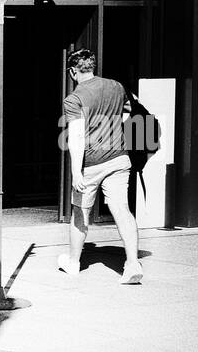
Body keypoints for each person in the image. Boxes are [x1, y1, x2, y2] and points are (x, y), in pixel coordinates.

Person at [59, 48, 143, 284]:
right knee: (122, 210)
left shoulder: (74, 98)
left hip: (91, 163)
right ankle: (133, 263)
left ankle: (73, 262)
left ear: (73, 71)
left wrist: (76, 172)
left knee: (80, 212)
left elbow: (75, 136)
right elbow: (128, 110)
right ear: (92, 66)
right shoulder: (116, 86)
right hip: (118, 158)